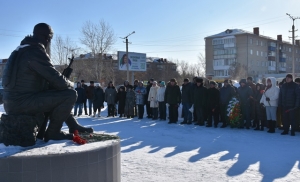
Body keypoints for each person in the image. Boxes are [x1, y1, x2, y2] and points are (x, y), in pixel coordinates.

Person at [2, 23, 92, 142]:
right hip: (22, 102)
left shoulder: (19, 51)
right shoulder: (35, 52)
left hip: (12, 102)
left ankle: (72, 125)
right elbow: (59, 82)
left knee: (55, 94)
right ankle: (53, 133)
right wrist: (71, 84)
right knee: (70, 94)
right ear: (47, 38)